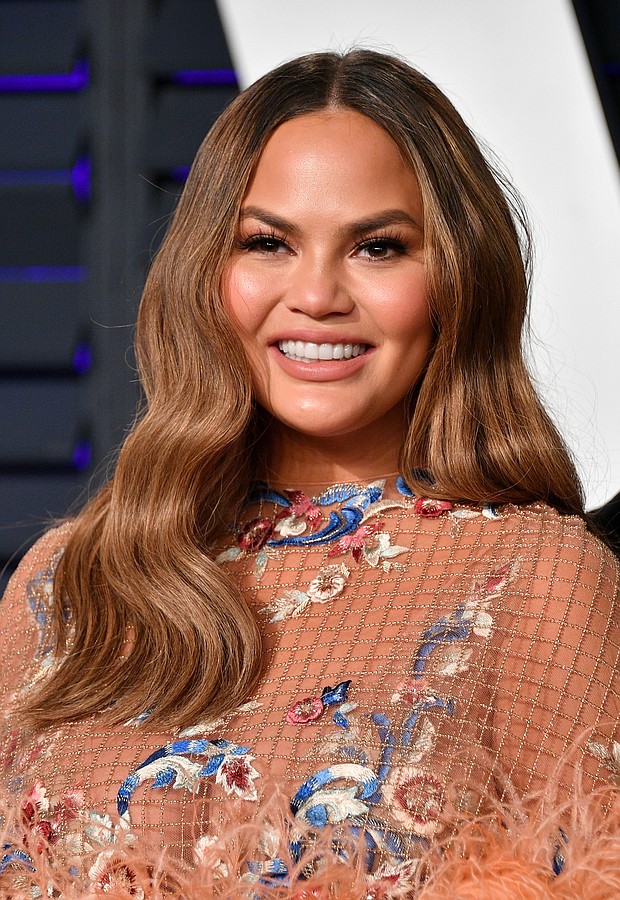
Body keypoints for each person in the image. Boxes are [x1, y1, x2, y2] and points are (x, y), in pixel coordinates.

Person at [1, 49, 619, 898]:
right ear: (209, 274)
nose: (317, 294)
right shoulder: (64, 584)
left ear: (456, 277)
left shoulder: (538, 581)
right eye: (268, 242)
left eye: (376, 247)